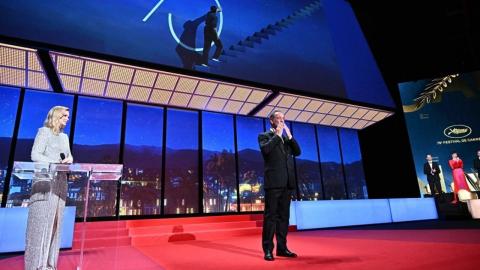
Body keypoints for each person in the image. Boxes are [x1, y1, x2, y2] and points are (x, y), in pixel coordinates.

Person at [25, 106, 73, 270]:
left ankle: (49, 265)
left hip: (60, 182)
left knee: (55, 224)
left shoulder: (65, 137)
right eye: (65, 115)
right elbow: (35, 155)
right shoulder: (44, 132)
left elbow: (68, 156)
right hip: (45, 183)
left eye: (68, 116)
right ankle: (35, 266)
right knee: (41, 225)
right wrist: (54, 163)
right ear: (56, 116)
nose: (67, 118)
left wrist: (68, 160)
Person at [258, 110, 301, 261]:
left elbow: (298, 152)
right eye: (278, 118)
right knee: (270, 217)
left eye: (283, 118)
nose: (282, 120)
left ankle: (282, 249)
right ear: (271, 120)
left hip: (287, 183)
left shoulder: (286, 140)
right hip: (274, 183)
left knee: (284, 218)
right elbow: (266, 150)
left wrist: (289, 136)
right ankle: (268, 250)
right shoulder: (265, 136)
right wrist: (277, 134)